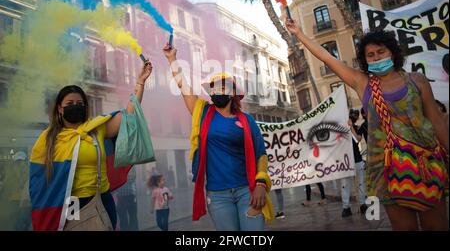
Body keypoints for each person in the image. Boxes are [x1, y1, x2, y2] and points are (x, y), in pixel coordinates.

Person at [285, 20, 449, 230]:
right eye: (370, 55)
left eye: (381, 51)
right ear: (365, 60)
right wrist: (299, 33)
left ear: (393, 52)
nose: (376, 57)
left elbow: (437, 122)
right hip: (387, 171)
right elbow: (326, 57)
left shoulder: (418, 81)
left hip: (426, 165)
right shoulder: (363, 84)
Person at [29, 61, 153, 231]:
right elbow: (39, 180)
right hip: (70, 205)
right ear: (59, 109)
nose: (75, 107)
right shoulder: (48, 138)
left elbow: (128, 115)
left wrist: (140, 82)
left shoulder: (95, 129)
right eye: (70, 104)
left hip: (101, 201)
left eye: (79, 104)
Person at [163, 43, 275, 231]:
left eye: (221, 88)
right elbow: (183, 85)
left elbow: (261, 155)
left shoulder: (247, 120)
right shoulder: (203, 112)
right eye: (213, 89)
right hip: (217, 195)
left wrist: (261, 183)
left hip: (247, 191)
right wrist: (172, 59)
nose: (216, 92)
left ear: (232, 93)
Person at [340, 109, 367, 218]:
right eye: (352, 115)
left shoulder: (358, 128)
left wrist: (351, 127)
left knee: (361, 183)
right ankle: (346, 207)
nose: (354, 116)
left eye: (355, 115)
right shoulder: (341, 129)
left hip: (357, 160)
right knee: (345, 185)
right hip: (345, 162)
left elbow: (358, 139)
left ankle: (362, 204)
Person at [115, 167, 139, 231]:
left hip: (131, 194)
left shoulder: (131, 165)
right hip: (120, 195)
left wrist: (121, 177)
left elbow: (132, 177)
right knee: (123, 218)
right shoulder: (116, 165)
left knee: (133, 217)